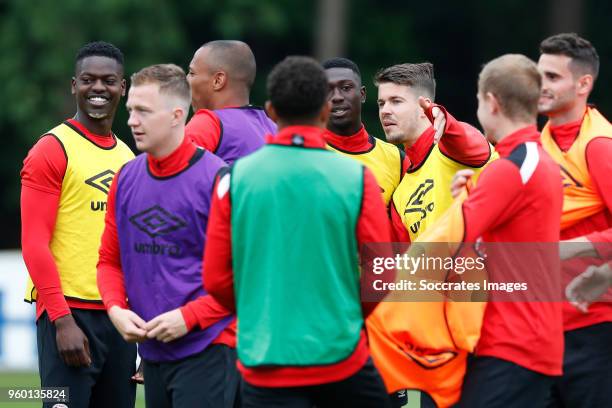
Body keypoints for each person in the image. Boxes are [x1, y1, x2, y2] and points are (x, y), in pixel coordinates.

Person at [204, 56, 393, 408]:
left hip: (266, 360)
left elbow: (215, 278)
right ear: (324, 111)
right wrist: (348, 315)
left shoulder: (234, 178)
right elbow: (382, 274)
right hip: (342, 359)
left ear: (271, 112)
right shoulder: (357, 178)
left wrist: (258, 310)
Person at [97, 64, 238, 408]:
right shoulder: (125, 178)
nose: (131, 120)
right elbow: (108, 262)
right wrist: (115, 308)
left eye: (143, 111)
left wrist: (189, 317)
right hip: (152, 352)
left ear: (177, 115)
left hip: (210, 346)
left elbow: (247, 277)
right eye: (130, 110)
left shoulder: (220, 180)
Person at [366, 62, 495, 407]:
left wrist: (444, 118)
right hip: (437, 337)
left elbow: (471, 144)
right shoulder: (401, 189)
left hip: (486, 320)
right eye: (381, 104)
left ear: (425, 107)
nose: (386, 111)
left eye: (396, 101)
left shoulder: (453, 150)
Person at [20, 41, 136, 407]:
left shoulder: (128, 156)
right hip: (69, 314)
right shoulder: (52, 148)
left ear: (123, 87)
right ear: (74, 86)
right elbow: (35, 243)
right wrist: (61, 320)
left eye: (108, 80)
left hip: (118, 317)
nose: (98, 88)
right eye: (88, 80)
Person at [448, 54, 564, 407]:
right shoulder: (532, 159)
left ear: (491, 102)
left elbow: (451, 245)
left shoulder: (512, 168)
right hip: (525, 340)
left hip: (512, 343)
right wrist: (467, 199)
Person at [536, 32, 612, 408]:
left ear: (584, 84)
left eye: (552, 77)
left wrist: (563, 250)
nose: (541, 86)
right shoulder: (541, 141)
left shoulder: (599, 145)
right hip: (544, 327)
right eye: (539, 76)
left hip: (594, 323)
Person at [322, 57, 408, 205]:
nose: (337, 97)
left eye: (346, 88)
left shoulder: (396, 160)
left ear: (362, 94)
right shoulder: (305, 154)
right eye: (328, 90)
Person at [185, 40, 276, 164]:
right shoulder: (273, 128)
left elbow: (174, 176)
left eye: (191, 73)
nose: (185, 81)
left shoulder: (208, 123)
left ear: (218, 80)